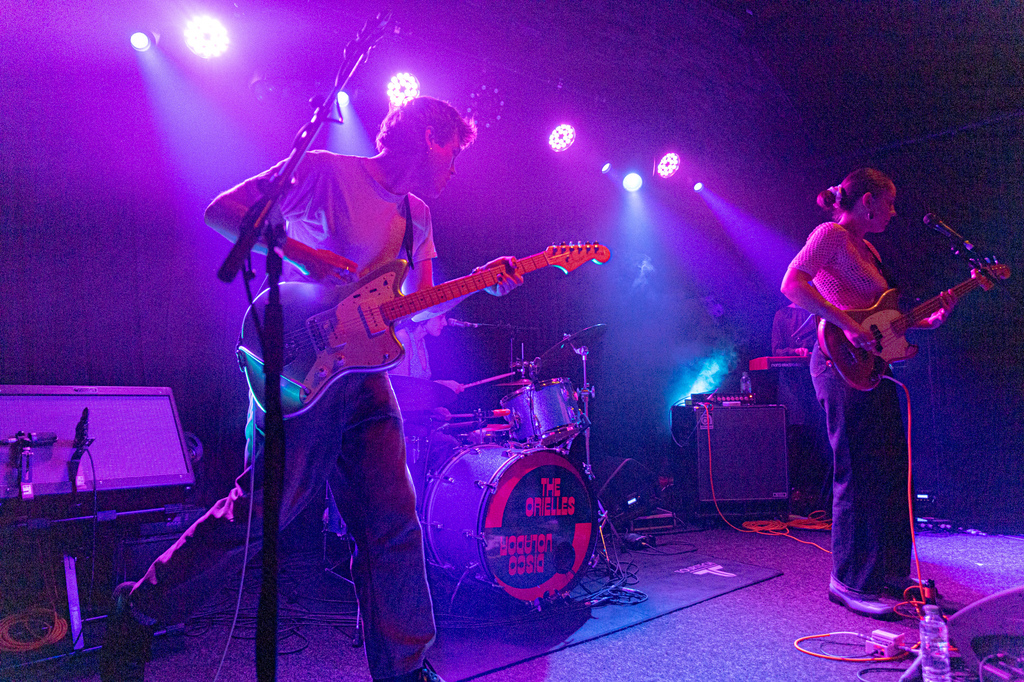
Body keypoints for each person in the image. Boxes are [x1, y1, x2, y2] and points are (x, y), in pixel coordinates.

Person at [99, 96, 523, 682]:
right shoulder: (326, 169)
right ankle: (139, 605)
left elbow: (416, 307)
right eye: (454, 150)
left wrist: (479, 285)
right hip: (304, 364)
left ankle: (405, 669)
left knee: (393, 523)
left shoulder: (418, 214)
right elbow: (224, 211)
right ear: (430, 135)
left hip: (368, 378)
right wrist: (303, 254)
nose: (456, 165)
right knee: (264, 513)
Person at [780, 168, 956, 619]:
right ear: (866, 201)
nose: (894, 213)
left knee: (893, 467)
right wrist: (844, 323)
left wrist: (925, 320)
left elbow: (881, 318)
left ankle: (891, 572)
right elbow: (793, 284)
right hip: (837, 362)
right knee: (856, 470)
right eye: (889, 203)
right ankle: (849, 581)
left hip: (872, 366)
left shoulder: (869, 249)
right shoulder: (829, 234)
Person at [771, 302, 830, 515]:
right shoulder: (782, 314)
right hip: (791, 383)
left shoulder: (815, 312)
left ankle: (818, 494)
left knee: (819, 434)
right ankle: (794, 492)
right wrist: (794, 350)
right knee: (795, 435)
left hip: (815, 378)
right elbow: (776, 349)